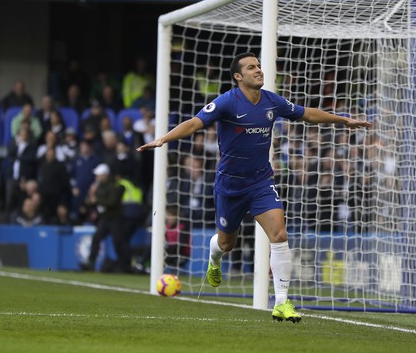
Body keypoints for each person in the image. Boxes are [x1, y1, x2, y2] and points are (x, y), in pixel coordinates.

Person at [137, 52, 372, 322]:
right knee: (227, 243)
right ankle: (215, 259)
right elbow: (194, 123)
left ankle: (282, 302)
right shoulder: (227, 102)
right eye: (251, 67)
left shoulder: (272, 100)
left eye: (258, 66)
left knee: (279, 234)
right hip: (230, 186)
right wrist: (163, 139)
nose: (258, 70)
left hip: (261, 181)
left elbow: (307, 114)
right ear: (239, 77)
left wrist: (343, 120)